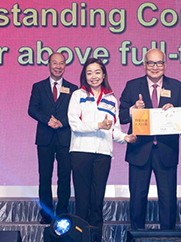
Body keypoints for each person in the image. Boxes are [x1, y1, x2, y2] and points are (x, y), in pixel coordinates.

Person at [68, 58, 137, 235]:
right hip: (81, 152)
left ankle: (96, 237)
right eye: (89, 73)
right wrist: (98, 125)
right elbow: (75, 125)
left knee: (97, 201)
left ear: (104, 75)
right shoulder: (77, 95)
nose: (94, 76)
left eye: (97, 72)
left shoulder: (111, 99)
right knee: (82, 200)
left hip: (103, 154)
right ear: (84, 76)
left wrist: (126, 138)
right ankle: (81, 237)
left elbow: (114, 129)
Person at [119, 49, 181, 230]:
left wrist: (174, 112)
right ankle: (136, 237)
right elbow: (121, 117)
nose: (155, 67)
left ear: (165, 64)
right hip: (139, 150)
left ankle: (168, 237)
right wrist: (133, 109)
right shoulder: (132, 86)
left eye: (159, 63)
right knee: (137, 199)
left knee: (168, 199)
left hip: (166, 150)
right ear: (144, 65)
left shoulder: (176, 86)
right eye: (151, 63)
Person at [28, 52, 78, 223]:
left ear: (65, 65)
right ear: (49, 65)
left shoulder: (73, 89)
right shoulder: (38, 87)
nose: (58, 66)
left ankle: (62, 212)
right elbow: (32, 109)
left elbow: (76, 113)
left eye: (61, 63)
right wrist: (47, 120)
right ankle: (47, 214)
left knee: (64, 177)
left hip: (65, 138)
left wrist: (61, 122)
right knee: (45, 176)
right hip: (45, 137)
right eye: (55, 63)